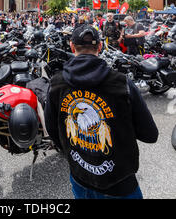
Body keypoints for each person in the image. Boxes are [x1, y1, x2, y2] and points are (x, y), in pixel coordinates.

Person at [44, 24, 158, 199]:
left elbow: (52, 129)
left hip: (80, 176)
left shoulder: (56, 83)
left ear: (72, 46)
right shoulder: (122, 84)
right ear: (100, 46)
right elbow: (150, 134)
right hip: (119, 182)